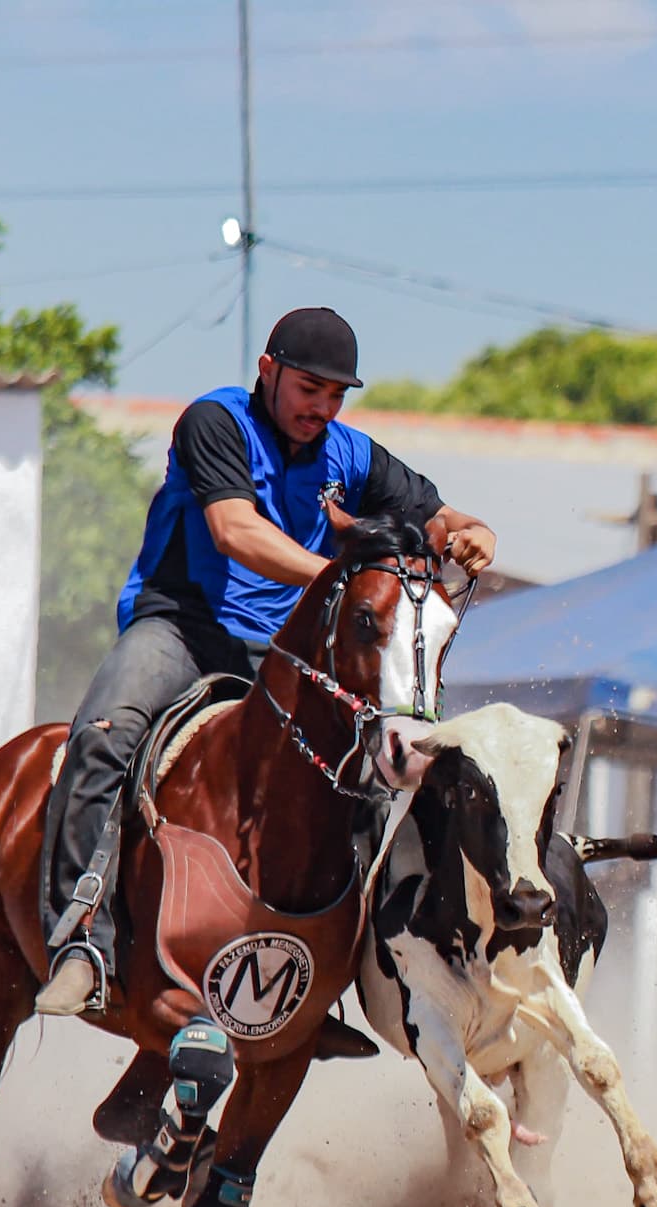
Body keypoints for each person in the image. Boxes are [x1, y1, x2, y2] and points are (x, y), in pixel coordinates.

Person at [36, 307, 498, 1016]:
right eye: (310, 388)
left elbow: (440, 518)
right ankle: (79, 941)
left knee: (379, 774)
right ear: (268, 370)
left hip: (284, 653)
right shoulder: (215, 422)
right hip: (183, 629)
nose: (323, 408)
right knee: (103, 735)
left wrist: (476, 533)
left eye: (336, 395)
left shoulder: (352, 455)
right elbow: (234, 530)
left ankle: (339, 981)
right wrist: (340, 581)